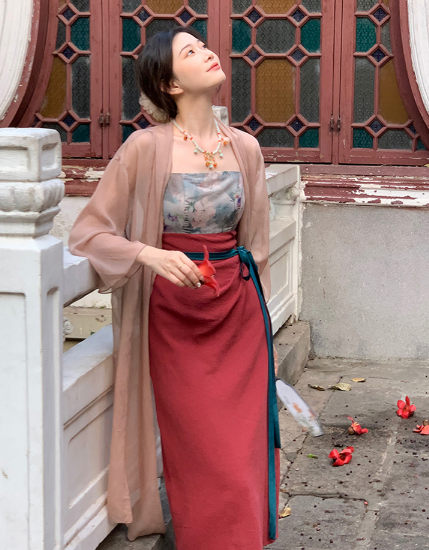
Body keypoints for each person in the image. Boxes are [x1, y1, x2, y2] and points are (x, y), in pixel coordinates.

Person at [68, 26, 281, 550]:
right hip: (174, 318)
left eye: (203, 46)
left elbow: (256, 244)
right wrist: (150, 254)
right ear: (170, 84)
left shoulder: (246, 148)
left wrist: (254, 309)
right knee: (203, 446)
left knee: (243, 447)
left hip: (238, 312)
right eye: (191, 51)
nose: (207, 52)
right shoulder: (144, 148)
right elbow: (88, 234)